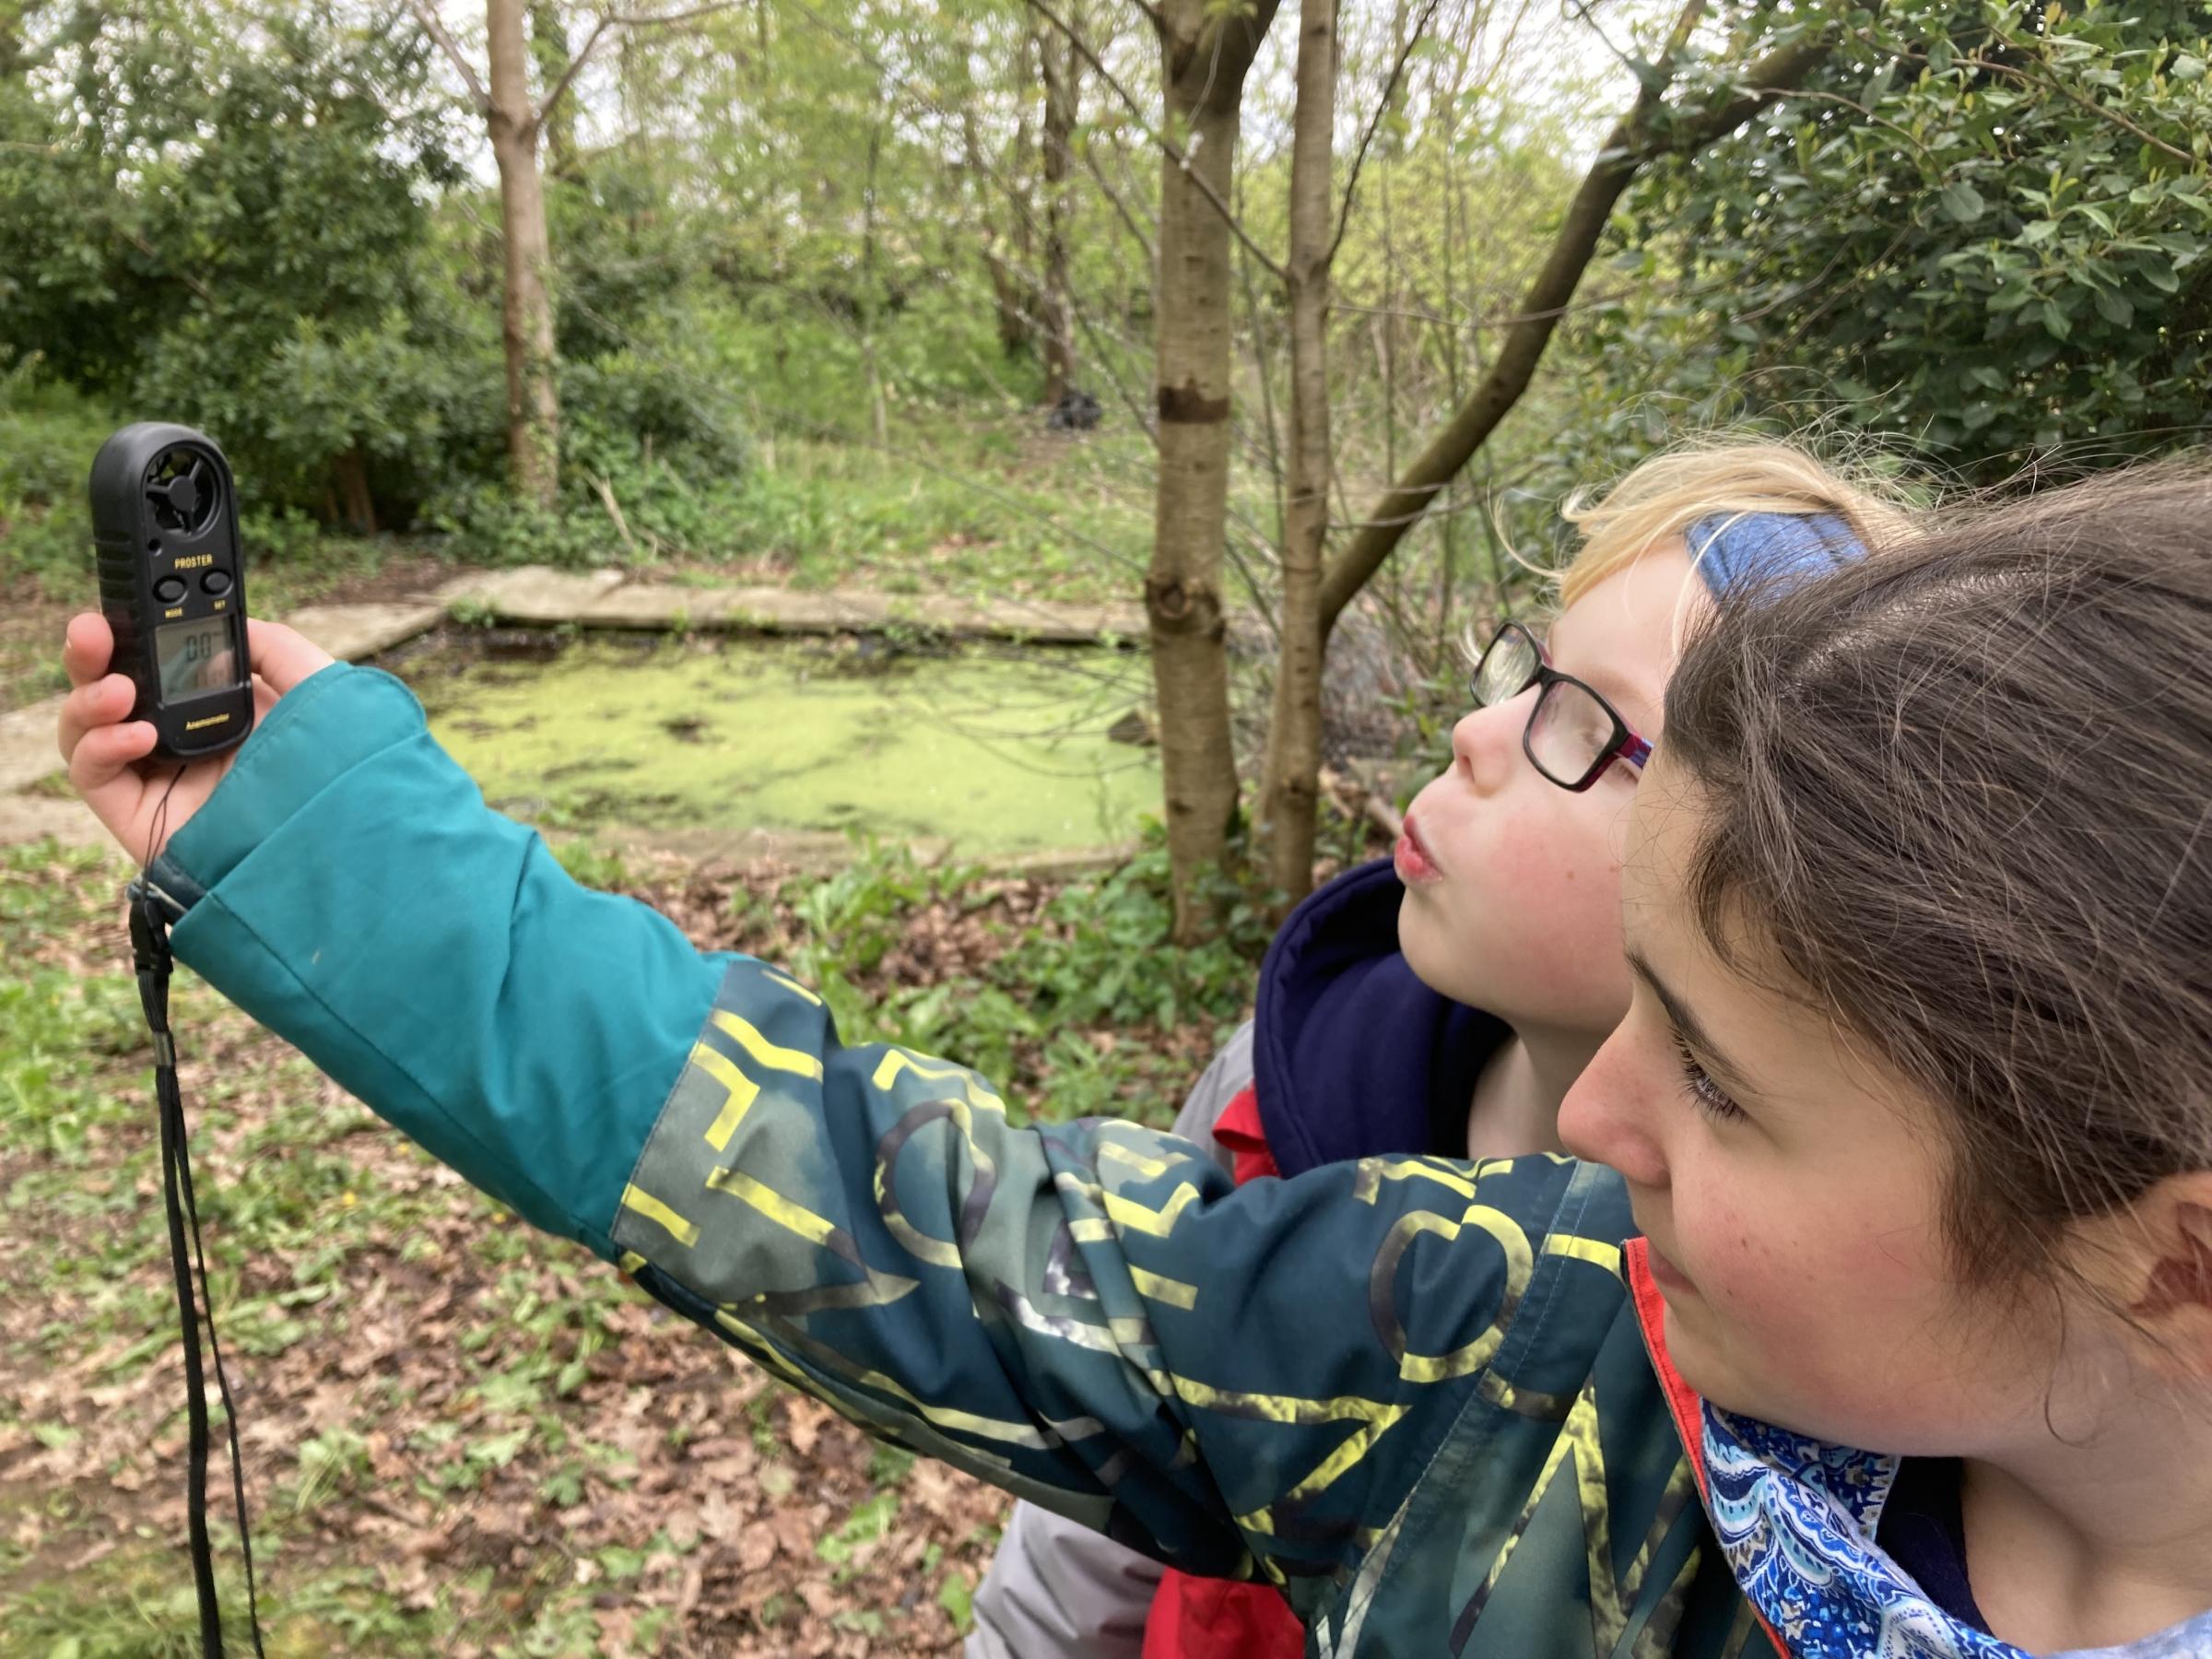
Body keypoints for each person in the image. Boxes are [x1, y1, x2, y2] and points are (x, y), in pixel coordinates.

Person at [55, 459, 2212, 1655]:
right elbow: (889, 1201)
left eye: (1724, 1083)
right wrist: (340, 851)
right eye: (1641, 1007)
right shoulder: (1509, 1347)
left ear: (2167, 1259)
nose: (1598, 1120)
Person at [967, 444, 1912, 1659]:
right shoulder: (1269, 1101)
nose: (1476, 733)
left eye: (1580, 724)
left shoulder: (1806, 1305)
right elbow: (1083, 1538)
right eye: (1527, 673)